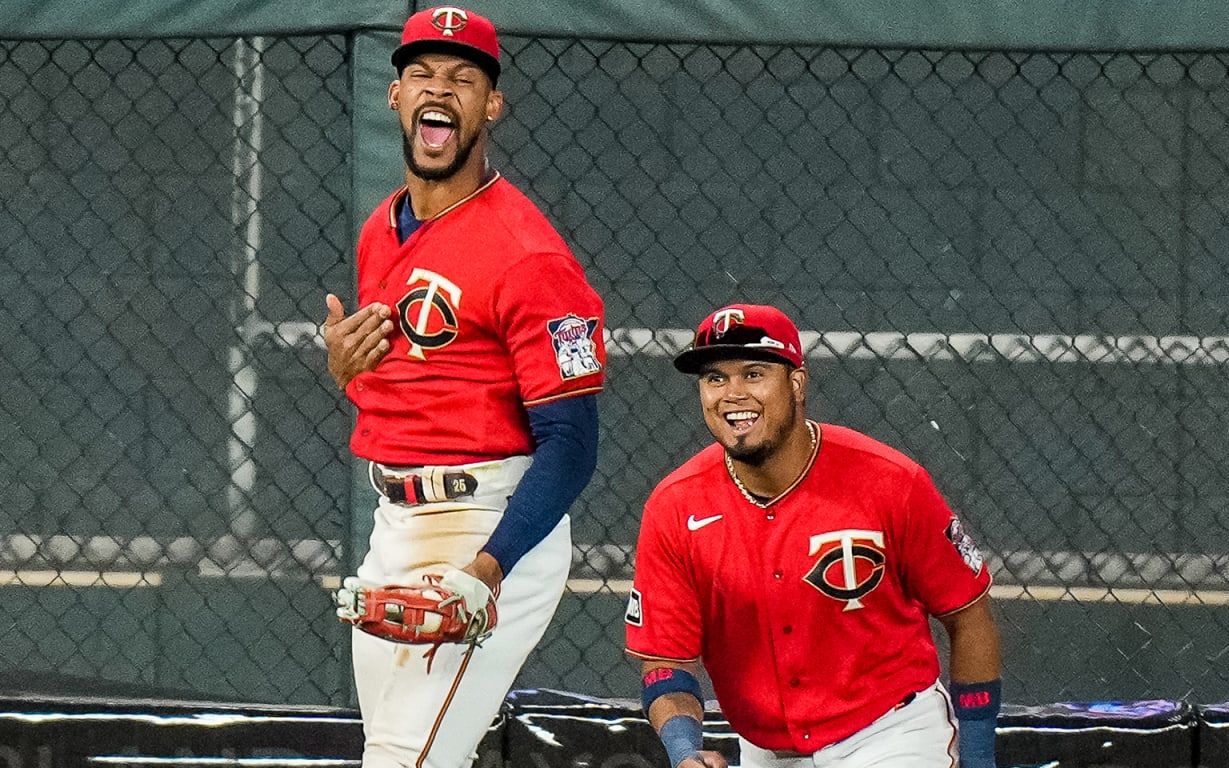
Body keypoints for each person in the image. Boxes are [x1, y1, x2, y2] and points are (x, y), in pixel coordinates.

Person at [319, 6, 606, 768]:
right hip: (396, 522)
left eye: (462, 77)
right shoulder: (383, 226)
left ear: (491, 105)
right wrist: (348, 372)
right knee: (404, 754)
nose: (437, 88)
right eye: (420, 73)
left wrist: (486, 570)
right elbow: (419, 389)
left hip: (487, 524)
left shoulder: (528, 255)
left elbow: (573, 446)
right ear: (395, 97)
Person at [625, 303, 1002, 768]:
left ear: (797, 383)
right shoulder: (674, 507)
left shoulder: (889, 481)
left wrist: (980, 757)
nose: (732, 394)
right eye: (714, 378)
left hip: (890, 737)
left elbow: (968, 614)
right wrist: (685, 753)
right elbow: (666, 663)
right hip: (765, 752)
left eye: (754, 374)